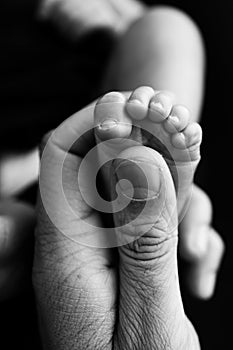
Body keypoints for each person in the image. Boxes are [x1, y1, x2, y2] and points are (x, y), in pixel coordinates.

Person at [0, 1, 225, 349]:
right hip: (24, 185)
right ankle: (135, 179)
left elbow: (126, 27)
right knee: (11, 232)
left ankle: (144, 165)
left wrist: (101, 26)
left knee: (167, 30)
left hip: (90, 116)